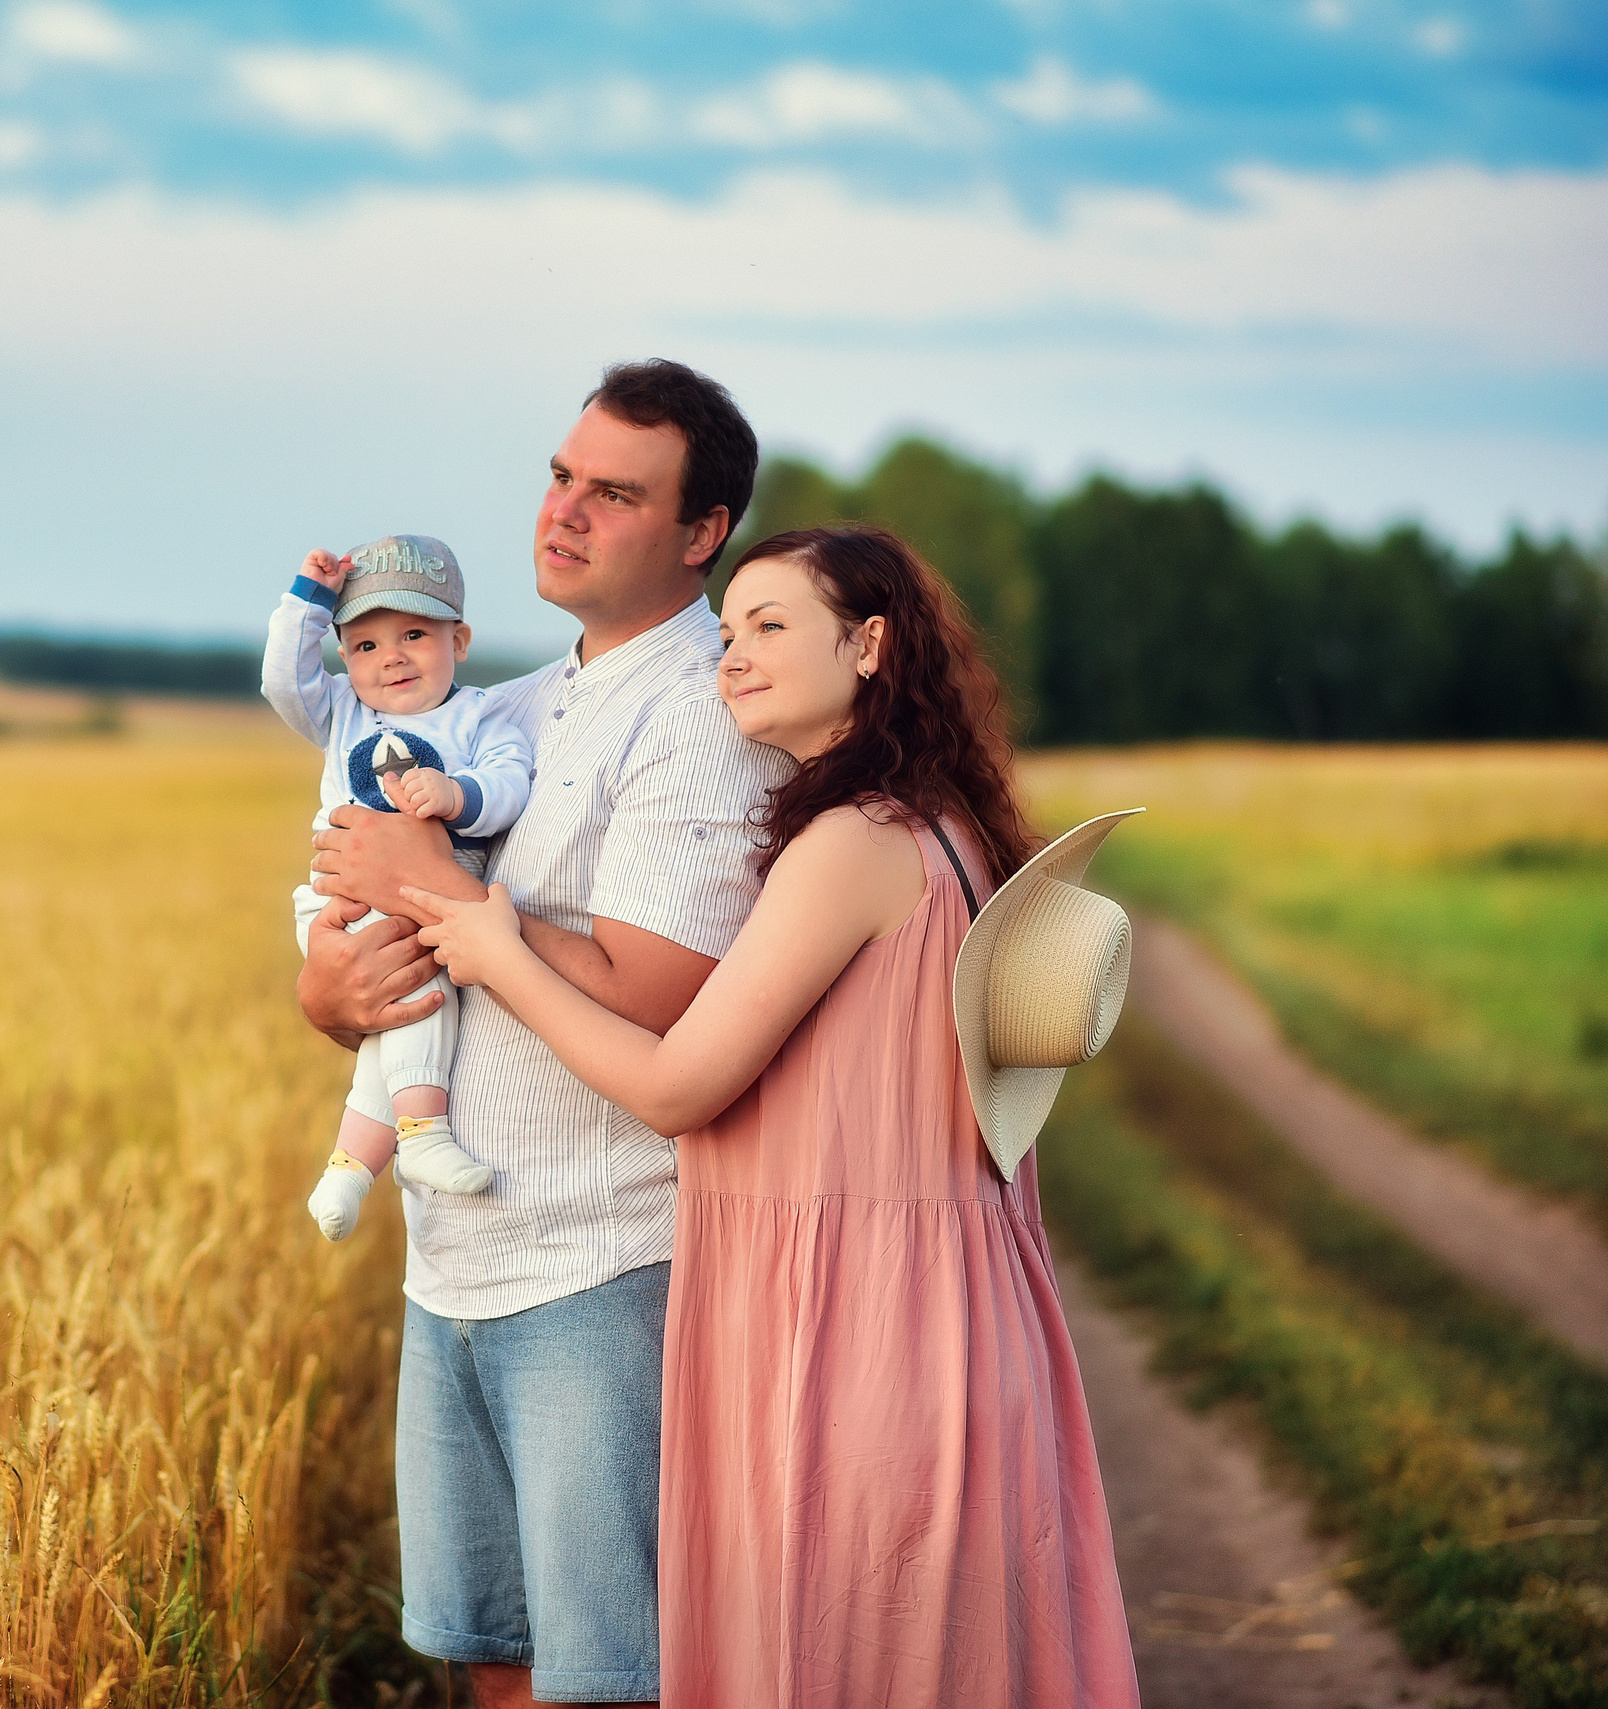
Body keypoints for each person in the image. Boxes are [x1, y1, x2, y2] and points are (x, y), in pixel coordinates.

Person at [403, 525, 1141, 1707]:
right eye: (729, 629)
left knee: (839, 1662)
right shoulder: (937, 826)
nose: (730, 656)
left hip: (854, 1336)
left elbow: (675, 1085)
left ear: (868, 644)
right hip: (921, 1313)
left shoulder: (851, 844)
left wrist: (497, 949)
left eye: (769, 626)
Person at [304, 361, 787, 1705]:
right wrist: (328, 992)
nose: (563, 511)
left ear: (702, 535)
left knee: (609, 1679)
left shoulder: (705, 712)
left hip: (607, 1261)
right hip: (453, 1258)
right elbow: (369, 921)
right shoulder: (510, 707)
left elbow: (653, 987)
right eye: (561, 475)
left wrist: (443, 890)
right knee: (495, 1657)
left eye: (614, 492)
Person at [261, 534, 533, 1239]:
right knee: (420, 995)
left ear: (460, 638)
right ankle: (421, 1135)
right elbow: (284, 682)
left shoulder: (480, 714)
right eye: (367, 645)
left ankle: (350, 1167)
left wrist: (456, 792)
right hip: (342, 896)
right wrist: (308, 602)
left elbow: (510, 781)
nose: (394, 657)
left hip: (431, 889)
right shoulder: (345, 709)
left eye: (414, 633)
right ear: (345, 656)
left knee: (401, 1011)